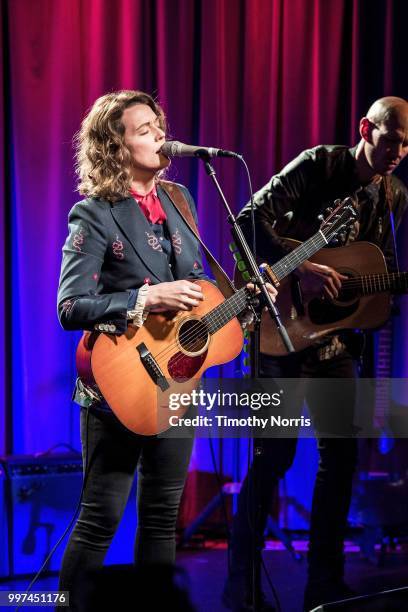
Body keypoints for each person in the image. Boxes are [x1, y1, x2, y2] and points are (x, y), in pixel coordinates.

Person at [57, 89, 276, 611]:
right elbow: (71, 306)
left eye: (158, 125)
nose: (159, 134)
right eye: (143, 129)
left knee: (162, 517)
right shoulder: (93, 214)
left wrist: (245, 300)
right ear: (115, 147)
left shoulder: (181, 202)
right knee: (100, 519)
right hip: (118, 388)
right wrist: (143, 297)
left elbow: (198, 292)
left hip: (176, 385)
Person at [224, 97, 408, 611]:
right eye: (390, 137)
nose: (397, 150)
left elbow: (379, 269)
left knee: (341, 459)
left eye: (405, 143)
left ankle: (324, 583)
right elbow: (246, 219)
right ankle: (242, 586)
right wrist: (300, 266)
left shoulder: (394, 196)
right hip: (280, 327)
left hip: (335, 343)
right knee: (274, 454)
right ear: (365, 129)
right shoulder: (318, 165)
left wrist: (374, 295)